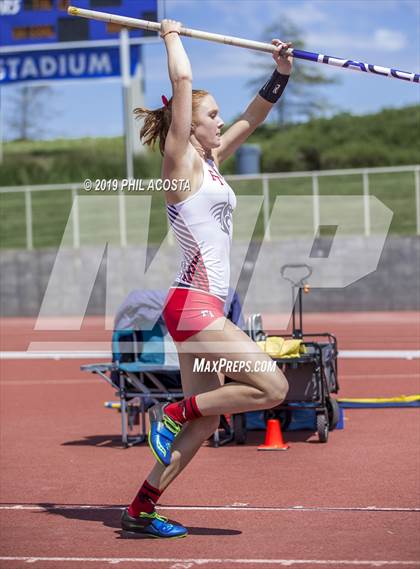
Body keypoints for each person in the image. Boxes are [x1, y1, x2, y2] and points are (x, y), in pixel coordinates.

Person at [121, 18, 292, 539]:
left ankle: (141, 507)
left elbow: (254, 116)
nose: (220, 123)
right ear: (188, 124)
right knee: (272, 387)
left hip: (202, 309)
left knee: (207, 419)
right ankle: (172, 408)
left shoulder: (213, 161)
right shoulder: (179, 164)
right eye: (211, 116)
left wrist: (280, 72)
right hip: (193, 306)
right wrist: (171, 35)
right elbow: (181, 87)